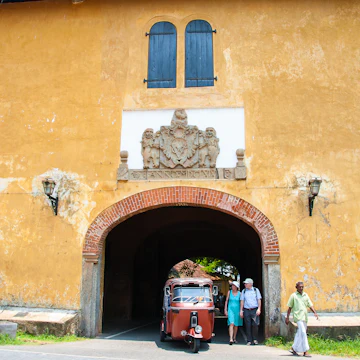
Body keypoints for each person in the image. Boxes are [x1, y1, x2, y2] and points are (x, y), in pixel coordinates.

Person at [286, 281, 319, 357]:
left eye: (302, 287)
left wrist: (315, 313)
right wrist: (287, 318)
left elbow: (310, 305)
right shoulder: (293, 296)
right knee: (303, 332)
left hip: (304, 317)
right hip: (298, 317)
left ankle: (293, 348)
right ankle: (305, 351)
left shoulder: (305, 295)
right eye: (299, 287)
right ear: (296, 287)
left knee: (299, 333)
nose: (301, 288)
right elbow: (289, 308)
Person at [240, 278, 262, 345]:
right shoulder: (244, 291)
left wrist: (259, 309)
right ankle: (249, 340)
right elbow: (242, 301)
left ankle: (255, 339)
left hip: (254, 309)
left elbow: (259, 299)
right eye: (245, 283)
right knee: (248, 325)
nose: (245, 284)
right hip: (246, 309)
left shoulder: (256, 290)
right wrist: (241, 310)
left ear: (250, 284)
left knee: (255, 324)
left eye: (246, 283)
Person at [224, 281, 242, 345]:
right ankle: (231, 338)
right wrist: (225, 309)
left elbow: (241, 302)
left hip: (237, 309)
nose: (232, 287)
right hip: (230, 309)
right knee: (231, 323)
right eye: (232, 286)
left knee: (236, 325)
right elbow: (226, 301)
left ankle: (234, 338)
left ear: (237, 287)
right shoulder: (229, 292)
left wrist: (241, 311)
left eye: (234, 286)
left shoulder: (240, 293)